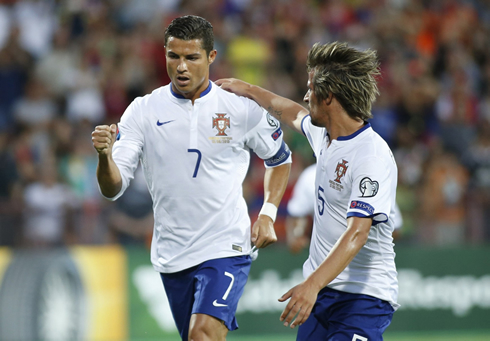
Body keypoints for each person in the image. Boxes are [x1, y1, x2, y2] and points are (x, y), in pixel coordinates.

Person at [91, 15, 291, 341]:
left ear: (211, 57)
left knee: (203, 335)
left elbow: (280, 159)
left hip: (227, 245)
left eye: (191, 57)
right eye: (174, 56)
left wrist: (267, 213)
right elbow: (112, 188)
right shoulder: (143, 111)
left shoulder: (239, 108)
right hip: (173, 254)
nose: (181, 67)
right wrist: (104, 157)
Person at [217, 41, 399, 340]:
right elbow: (291, 111)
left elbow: (358, 232)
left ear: (328, 96)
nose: (305, 94)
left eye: (310, 87)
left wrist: (311, 284)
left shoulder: (370, 155)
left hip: (363, 298)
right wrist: (249, 89)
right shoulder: (324, 135)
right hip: (322, 296)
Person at [286, 163, 404, 254]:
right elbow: (297, 213)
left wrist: (362, 240)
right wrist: (296, 235)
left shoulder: (372, 175)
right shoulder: (311, 175)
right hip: (325, 255)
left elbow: (395, 228)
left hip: (366, 261)